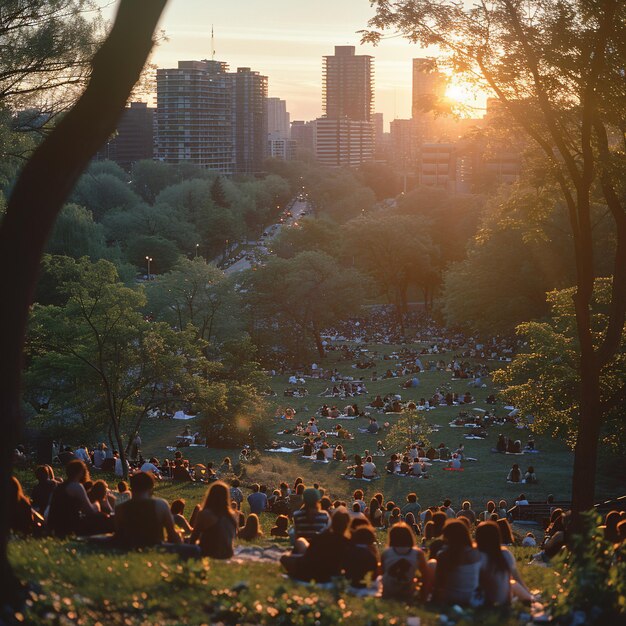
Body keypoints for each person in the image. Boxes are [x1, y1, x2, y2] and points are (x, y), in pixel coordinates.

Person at [281, 507, 351, 583]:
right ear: (347, 524)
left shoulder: (322, 536)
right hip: (329, 572)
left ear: (333, 521)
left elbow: (308, 554)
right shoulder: (347, 543)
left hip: (310, 570)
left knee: (284, 557)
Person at [114, 471, 182, 549]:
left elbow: (118, 534)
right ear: (151, 487)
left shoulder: (120, 508)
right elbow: (172, 533)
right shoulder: (161, 504)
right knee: (194, 549)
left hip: (129, 546)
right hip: (155, 545)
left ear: (131, 487)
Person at [476, 521, 533, 605]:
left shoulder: (474, 555)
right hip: (502, 600)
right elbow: (516, 577)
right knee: (513, 583)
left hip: (479, 599)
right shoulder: (504, 554)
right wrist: (527, 592)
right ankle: (530, 598)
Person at [47, 460, 102, 538]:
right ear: (80, 472)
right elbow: (89, 510)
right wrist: (97, 504)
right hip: (69, 526)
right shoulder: (76, 486)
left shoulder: (58, 487)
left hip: (55, 526)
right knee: (102, 517)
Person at [434, 519, 482, 606]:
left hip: (450, 597)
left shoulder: (443, 555)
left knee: (431, 564)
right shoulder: (477, 552)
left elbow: (439, 582)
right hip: (473, 598)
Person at [189, 481, 239, 559]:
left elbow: (193, 538)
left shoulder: (205, 514)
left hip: (209, 552)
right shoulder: (232, 515)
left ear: (210, 495)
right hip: (228, 553)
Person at [381, 522, 429, 600]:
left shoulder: (386, 553)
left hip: (388, 593)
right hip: (408, 592)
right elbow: (425, 575)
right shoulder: (417, 553)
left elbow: (382, 573)